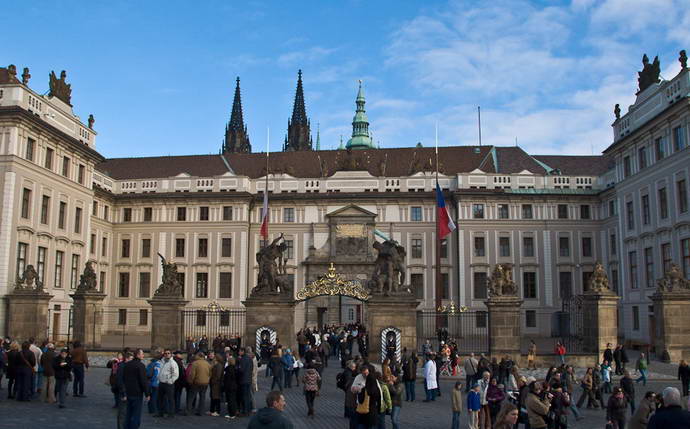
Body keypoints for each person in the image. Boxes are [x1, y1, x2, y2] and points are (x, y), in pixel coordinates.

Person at [122, 348, 150, 429]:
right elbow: (143, 381)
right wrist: (147, 393)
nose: (143, 355)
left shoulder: (127, 364)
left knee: (128, 414)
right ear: (138, 355)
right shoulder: (141, 366)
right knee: (136, 415)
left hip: (128, 392)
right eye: (142, 354)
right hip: (137, 393)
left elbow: (124, 378)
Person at [186, 351, 211, 416]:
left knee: (191, 397)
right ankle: (201, 412)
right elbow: (210, 374)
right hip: (205, 383)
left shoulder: (195, 363)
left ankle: (188, 411)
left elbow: (192, 374)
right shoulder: (207, 363)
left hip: (196, 382)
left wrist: (190, 381)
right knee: (202, 397)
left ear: (198, 356)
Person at [156, 349, 178, 418]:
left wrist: (170, 381)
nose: (167, 354)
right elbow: (159, 371)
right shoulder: (161, 361)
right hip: (161, 383)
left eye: (168, 353)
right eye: (165, 353)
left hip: (169, 384)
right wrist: (158, 379)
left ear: (171, 354)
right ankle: (160, 413)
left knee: (170, 399)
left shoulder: (173, 363)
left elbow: (176, 374)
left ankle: (171, 414)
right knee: (160, 399)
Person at [145, 349, 162, 415]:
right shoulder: (158, 364)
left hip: (149, 382)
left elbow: (147, 373)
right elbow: (156, 374)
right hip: (155, 382)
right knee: (155, 397)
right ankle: (154, 410)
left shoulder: (150, 363)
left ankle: (150, 409)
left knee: (150, 396)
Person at [239, 347, 255, 416]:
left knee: (244, 396)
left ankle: (245, 411)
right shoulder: (250, 359)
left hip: (244, 379)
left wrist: (238, 369)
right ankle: (248, 410)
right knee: (248, 395)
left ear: (243, 351)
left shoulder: (243, 359)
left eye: (240, 351)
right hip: (249, 379)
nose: (239, 352)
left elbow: (241, 370)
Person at [223, 355, 239, 419]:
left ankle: (231, 414)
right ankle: (233, 412)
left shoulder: (228, 369)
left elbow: (227, 379)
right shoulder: (236, 368)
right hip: (234, 386)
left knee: (230, 400)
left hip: (229, 386)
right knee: (233, 400)